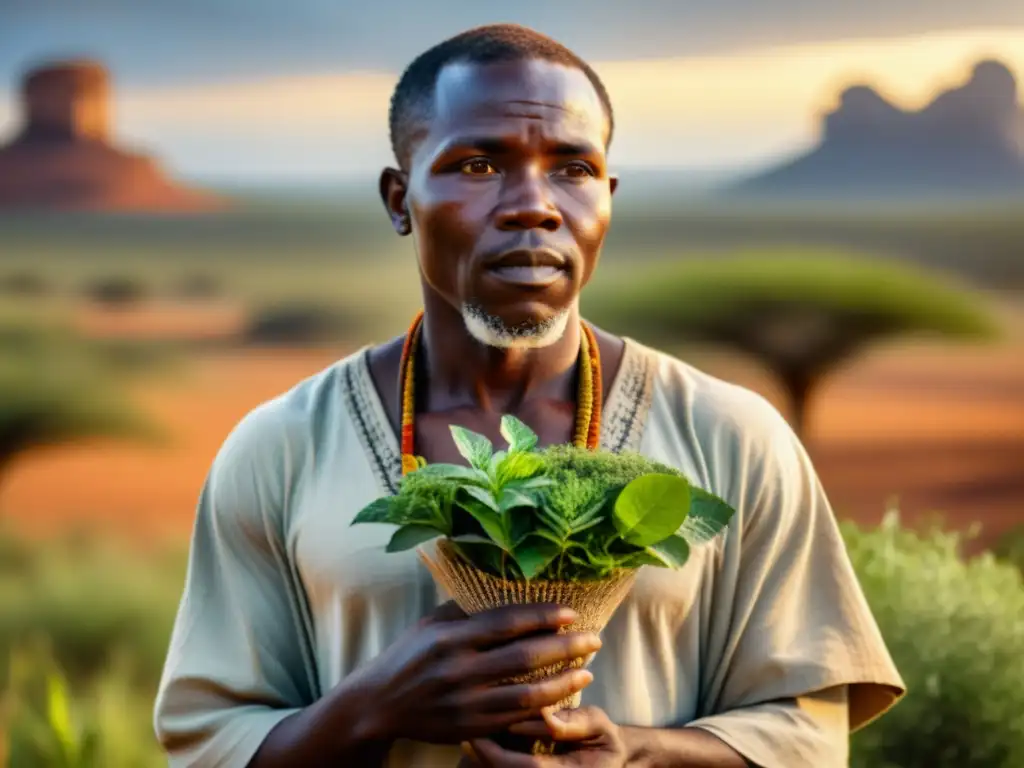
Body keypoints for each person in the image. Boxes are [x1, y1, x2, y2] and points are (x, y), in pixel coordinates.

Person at [153, 23, 906, 768]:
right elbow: (207, 743)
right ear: (398, 199)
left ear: (607, 198)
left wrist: (641, 755)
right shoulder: (281, 447)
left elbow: (808, 739)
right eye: (479, 166)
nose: (534, 206)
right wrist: (372, 707)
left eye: (573, 170)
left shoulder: (731, 436)